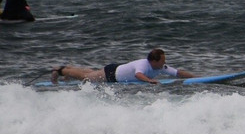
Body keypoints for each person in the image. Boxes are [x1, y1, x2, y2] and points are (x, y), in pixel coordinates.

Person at [51, 49, 195, 84]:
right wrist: (150, 81)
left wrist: (198, 77)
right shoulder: (143, 64)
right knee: (86, 77)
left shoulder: (160, 67)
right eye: (162, 60)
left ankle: (69, 69)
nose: (164, 63)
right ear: (154, 61)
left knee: (92, 73)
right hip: (112, 74)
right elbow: (138, 74)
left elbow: (179, 73)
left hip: (116, 70)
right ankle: (60, 71)